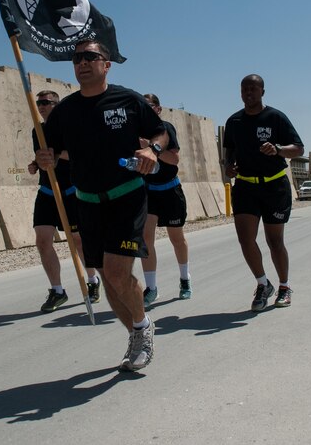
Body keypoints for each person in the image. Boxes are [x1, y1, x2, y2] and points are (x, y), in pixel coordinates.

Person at [36, 39, 168, 372]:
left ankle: (142, 326)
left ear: (106, 64)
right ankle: (136, 333)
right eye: (77, 58)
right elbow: (48, 150)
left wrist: (152, 149)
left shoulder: (127, 99)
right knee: (110, 283)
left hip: (127, 196)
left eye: (90, 57)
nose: (82, 62)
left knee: (115, 272)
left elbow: (160, 132)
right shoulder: (65, 110)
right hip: (87, 202)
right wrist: (45, 157)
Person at [223, 74, 304, 312]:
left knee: (274, 240)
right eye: (244, 89)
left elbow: (298, 148)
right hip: (246, 186)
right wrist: (228, 166)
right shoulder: (234, 121)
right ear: (240, 92)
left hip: (274, 186)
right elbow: (229, 152)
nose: (249, 93)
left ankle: (284, 286)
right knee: (245, 239)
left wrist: (278, 149)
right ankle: (262, 284)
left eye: (253, 89)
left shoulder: (276, 117)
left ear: (262, 92)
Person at [27, 89, 101, 313]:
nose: (40, 106)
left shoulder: (69, 127)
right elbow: (43, 157)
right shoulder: (37, 131)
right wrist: (36, 163)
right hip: (47, 191)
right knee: (42, 241)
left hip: (70, 191)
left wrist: (58, 155)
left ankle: (92, 280)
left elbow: (81, 154)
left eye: (45, 103)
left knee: (78, 241)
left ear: (56, 105)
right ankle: (57, 290)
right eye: (38, 103)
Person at [139, 93, 191, 307]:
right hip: (149, 192)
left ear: (158, 109)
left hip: (170, 191)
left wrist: (152, 150)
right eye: (143, 106)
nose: (146, 109)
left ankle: (185, 280)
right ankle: (151, 288)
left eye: (150, 106)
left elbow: (175, 159)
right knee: (145, 239)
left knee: (176, 238)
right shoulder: (136, 130)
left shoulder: (166, 129)